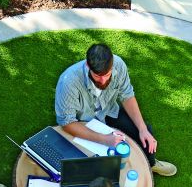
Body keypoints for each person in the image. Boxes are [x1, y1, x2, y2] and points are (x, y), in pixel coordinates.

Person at [55, 43, 177, 177]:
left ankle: (151, 163)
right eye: (97, 76)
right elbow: (67, 122)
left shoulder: (119, 65)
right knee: (93, 167)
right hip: (83, 122)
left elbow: (127, 95)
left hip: (107, 111)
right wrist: (105, 139)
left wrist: (142, 129)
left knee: (145, 130)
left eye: (107, 74)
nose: (102, 81)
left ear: (112, 66)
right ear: (88, 66)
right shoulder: (68, 82)